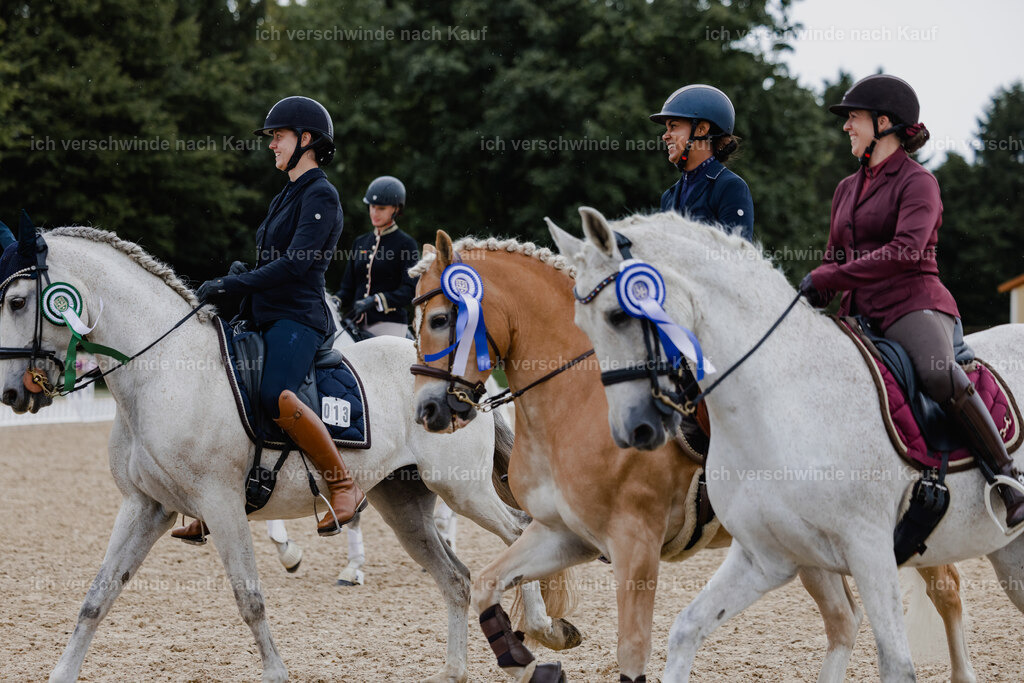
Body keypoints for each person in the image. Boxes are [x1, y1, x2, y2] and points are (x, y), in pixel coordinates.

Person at [799, 74, 1024, 528]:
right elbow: (833, 260)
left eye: (854, 119)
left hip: (912, 304)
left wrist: (834, 274)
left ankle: (1008, 477)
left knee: (937, 374)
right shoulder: (845, 188)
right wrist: (811, 290)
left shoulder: (920, 182)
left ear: (884, 123)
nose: (846, 127)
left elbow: (905, 251)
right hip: (857, 312)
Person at [171, 95, 365, 542]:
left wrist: (235, 285)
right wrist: (239, 278)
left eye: (277, 137)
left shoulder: (322, 194)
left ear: (306, 140)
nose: (271, 145)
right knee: (228, 388)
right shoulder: (286, 194)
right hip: (265, 314)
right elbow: (270, 259)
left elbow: (297, 265)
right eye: (272, 138)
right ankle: (222, 497)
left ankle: (342, 485)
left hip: (298, 317)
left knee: (276, 395)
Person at [651, 84, 754, 242]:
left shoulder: (730, 187)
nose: (665, 136)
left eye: (673, 126)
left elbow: (736, 258)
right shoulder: (668, 197)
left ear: (701, 129)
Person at [335, 175, 419, 337]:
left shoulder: (406, 244)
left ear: (396, 209)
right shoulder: (360, 242)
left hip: (388, 324)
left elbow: (410, 290)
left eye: (381, 208)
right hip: (354, 322)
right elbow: (347, 288)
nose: (374, 212)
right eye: (372, 206)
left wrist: (376, 300)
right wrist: (335, 301)